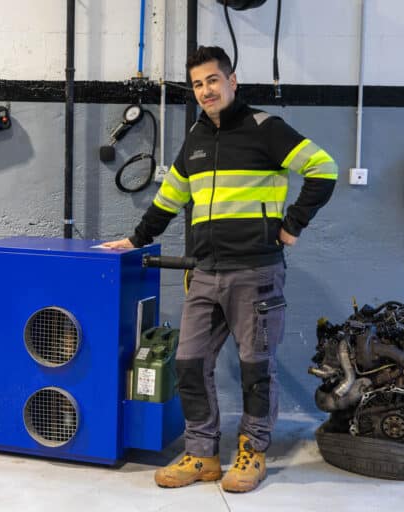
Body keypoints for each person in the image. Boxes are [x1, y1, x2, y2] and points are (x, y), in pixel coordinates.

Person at [102, 46, 337, 493]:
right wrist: (136, 239)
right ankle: (202, 454)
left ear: (232, 81)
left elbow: (324, 168)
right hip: (205, 271)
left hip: (255, 271)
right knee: (189, 362)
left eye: (212, 80)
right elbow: (170, 198)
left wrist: (292, 225)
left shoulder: (265, 128)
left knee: (255, 368)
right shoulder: (195, 138)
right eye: (197, 84)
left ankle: (252, 451)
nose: (205, 90)